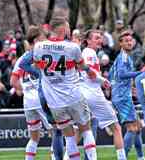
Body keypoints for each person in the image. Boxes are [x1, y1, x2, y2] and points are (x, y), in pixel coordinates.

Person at [32, 17, 98, 160]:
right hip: (73, 96)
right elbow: (81, 66)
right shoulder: (73, 47)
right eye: (67, 27)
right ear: (62, 29)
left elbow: (36, 66)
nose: (69, 30)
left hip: (55, 102)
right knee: (86, 130)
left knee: (69, 137)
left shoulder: (38, 47)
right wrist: (91, 71)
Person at [80, 29, 126, 160]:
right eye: (96, 38)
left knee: (81, 130)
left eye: (100, 37)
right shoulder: (89, 53)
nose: (99, 40)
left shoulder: (88, 52)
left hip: (83, 94)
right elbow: (89, 71)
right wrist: (103, 80)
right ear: (88, 41)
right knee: (116, 127)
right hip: (92, 94)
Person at [10, 26, 53, 160]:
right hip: (41, 99)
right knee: (56, 132)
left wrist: (26, 90)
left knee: (34, 138)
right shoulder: (40, 55)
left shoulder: (21, 59)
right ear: (35, 40)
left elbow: (13, 81)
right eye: (42, 37)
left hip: (28, 102)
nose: (45, 39)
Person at [109, 30, 145, 160]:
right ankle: (123, 157)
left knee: (138, 127)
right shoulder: (123, 57)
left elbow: (114, 76)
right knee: (132, 128)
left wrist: (131, 86)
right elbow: (122, 74)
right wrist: (139, 73)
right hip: (122, 97)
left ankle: (141, 157)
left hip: (123, 95)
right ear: (121, 43)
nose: (129, 42)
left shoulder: (125, 57)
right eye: (126, 41)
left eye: (130, 40)